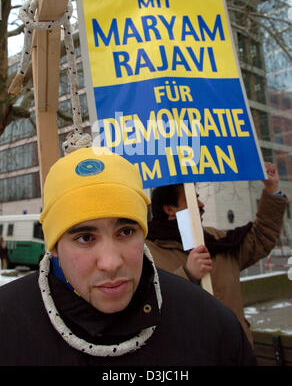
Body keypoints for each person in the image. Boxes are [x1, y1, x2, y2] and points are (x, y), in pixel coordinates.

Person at [0, 147, 256, 366]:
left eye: (125, 231)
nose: (111, 262)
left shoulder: (210, 324)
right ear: (55, 246)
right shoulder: (8, 326)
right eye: (85, 238)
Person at [146, 162, 288, 347]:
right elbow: (146, 303)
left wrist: (271, 190)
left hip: (237, 352)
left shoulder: (216, 239)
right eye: (193, 197)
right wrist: (186, 274)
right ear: (170, 210)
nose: (201, 203)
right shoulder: (147, 252)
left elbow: (261, 239)